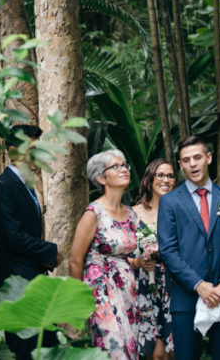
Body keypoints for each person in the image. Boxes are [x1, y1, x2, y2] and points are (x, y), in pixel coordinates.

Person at [157, 136, 220, 360]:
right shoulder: (170, 202)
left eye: (197, 157)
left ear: (208, 158)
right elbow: (168, 251)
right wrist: (198, 285)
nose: (193, 164)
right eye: (186, 160)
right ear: (180, 165)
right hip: (187, 299)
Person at [0, 123, 62, 359]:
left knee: (46, 347)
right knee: (27, 350)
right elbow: (12, 236)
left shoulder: (25, 184)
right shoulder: (2, 186)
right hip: (15, 283)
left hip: (32, 279)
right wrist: (50, 252)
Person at [69, 150, 140, 360]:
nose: (124, 170)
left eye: (125, 165)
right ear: (101, 178)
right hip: (101, 293)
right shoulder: (94, 213)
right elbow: (75, 260)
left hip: (128, 291)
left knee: (130, 349)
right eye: (116, 166)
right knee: (113, 350)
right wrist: (77, 301)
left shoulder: (131, 214)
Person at [131, 158, 176, 360]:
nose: (166, 180)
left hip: (173, 286)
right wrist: (139, 262)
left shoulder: (179, 213)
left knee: (171, 351)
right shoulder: (134, 213)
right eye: (161, 175)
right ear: (150, 179)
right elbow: (121, 255)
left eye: (170, 176)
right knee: (152, 353)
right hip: (144, 286)